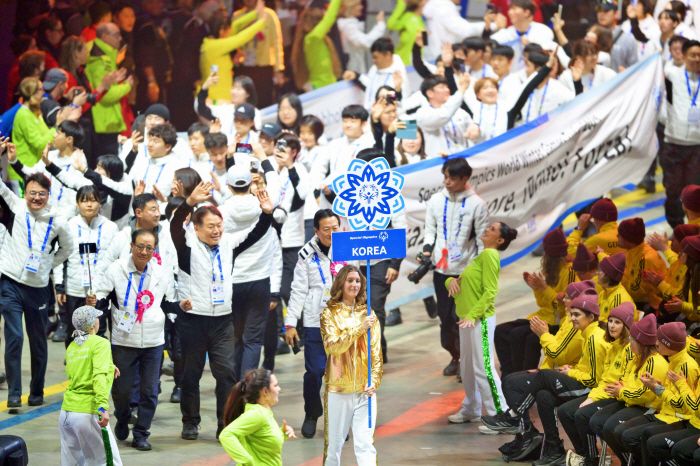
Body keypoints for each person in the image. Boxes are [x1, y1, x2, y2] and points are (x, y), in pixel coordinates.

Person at [170, 182, 273, 440]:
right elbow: (174, 225)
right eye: (210, 226)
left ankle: (224, 424)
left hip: (222, 322)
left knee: (226, 374)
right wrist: (189, 201)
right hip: (193, 321)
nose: (216, 231)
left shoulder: (228, 243)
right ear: (196, 228)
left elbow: (255, 233)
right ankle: (190, 422)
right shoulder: (187, 245)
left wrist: (267, 213)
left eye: (219, 225)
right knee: (190, 375)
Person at [482, 289, 609, 466]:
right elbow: (585, 366)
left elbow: (593, 379)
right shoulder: (587, 333)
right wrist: (572, 369)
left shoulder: (594, 338)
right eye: (572, 313)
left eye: (577, 314)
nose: (572, 317)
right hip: (582, 380)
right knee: (543, 396)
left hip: (591, 388)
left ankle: (515, 415)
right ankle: (554, 449)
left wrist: (570, 372)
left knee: (543, 376)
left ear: (591, 317)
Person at [86, 228, 179, 451]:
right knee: (122, 390)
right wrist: (93, 302)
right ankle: (122, 415)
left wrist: (180, 309)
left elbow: (167, 303)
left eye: (149, 248)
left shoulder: (160, 272)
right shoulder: (116, 269)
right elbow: (102, 298)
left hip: (153, 342)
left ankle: (141, 434)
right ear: (131, 246)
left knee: (150, 391)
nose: (144, 251)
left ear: (154, 250)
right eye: (140, 246)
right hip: (123, 340)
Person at [0, 148, 73, 408]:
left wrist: (47, 265)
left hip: (39, 288)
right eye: (32, 192)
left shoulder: (57, 220)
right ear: (25, 193)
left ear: (48, 195)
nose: (36, 197)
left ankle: (36, 390)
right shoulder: (16, 206)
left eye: (42, 193)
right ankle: (13, 392)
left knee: (38, 341)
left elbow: (68, 248)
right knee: (15, 337)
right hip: (9, 283)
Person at [496, 280, 591, 459]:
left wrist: (544, 335)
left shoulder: (584, 330)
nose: (564, 299)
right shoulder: (568, 319)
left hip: (584, 384)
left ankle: (518, 421)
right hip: (569, 374)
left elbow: (559, 355)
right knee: (541, 394)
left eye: (569, 297)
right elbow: (554, 355)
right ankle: (551, 446)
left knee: (515, 382)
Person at [421, 158, 490, 376]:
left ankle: (464, 362)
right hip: (441, 273)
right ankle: (454, 355)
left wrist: (478, 272)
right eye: (445, 177)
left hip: (464, 273)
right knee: (444, 319)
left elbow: (481, 240)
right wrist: (425, 252)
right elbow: (430, 230)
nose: (447, 182)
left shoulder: (477, 204)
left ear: (464, 179)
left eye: (452, 178)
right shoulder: (434, 200)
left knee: (459, 319)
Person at [445, 222, 518, 423]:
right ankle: (471, 409)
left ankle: (501, 414)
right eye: (489, 227)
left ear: (500, 240)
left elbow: (491, 292)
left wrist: (473, 315)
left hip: (480, 319)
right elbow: (460, 281)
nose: (487, 229)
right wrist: (449, 281)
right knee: (467, 367)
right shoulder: (480, 256)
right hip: (467, 319)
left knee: (483, 367)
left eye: (492, 230)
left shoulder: (490, 256)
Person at [284, 209, 341, 438]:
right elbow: (298, 290)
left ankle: (338, 421)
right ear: (316, 230)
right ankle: (312, 412)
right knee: (315, 372)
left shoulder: (350, 246)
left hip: (343, 323)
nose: (331, 233)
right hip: (315, 321)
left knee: (340, 375)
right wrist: (290, 324)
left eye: (334, 228)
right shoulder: (306, 253)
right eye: (326, 229)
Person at [557, 302, 635, 466]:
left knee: (583, 415)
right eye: (611, 321)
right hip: (606, 392)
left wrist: (593, 397)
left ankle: (593, 458)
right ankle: (585, 454)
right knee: (565, 411)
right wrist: (592, 397)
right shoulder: (613, 346)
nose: (612, 326)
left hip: (620, 397)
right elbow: (604, 380)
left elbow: (623, 383)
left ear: (627, 326)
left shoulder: (629, 349)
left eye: (617, 322)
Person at [320, 265, 382, 466]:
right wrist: (360, 328)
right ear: (341, 283)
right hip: (338, 390)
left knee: (365, 444)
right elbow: (332, 347)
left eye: (358, 281)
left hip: (366, 391)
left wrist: (375, 381)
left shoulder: (368, 312)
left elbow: (376, 353)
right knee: (334, 446)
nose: (354, 284)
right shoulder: (329, 314)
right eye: (350, 280)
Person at [589, 314, 668, 466]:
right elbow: (628, 381)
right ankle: (629, 461)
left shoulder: (653, 362)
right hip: (631, 401)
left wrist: (621, 392)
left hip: (648, 408)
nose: (630, 343)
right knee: (597, 422)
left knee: (614, 429)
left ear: (643, 343)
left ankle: (638, 461)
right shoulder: (638, 357)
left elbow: (644, 395)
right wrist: (621, 388)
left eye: (633, 340)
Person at [495, 228, 575, 379]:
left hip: (558, 321)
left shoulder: (569, 272)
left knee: (519, 335)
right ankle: (508, 374)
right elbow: (542, 304)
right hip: (544, 316)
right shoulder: (551, 270)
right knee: (500, 331)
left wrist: (544, 287)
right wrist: (536, 288)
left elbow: (564, 306)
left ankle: (523, 378)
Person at [616, 322, 699, 466]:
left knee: (647, 438)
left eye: (659, 339)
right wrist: (658, 388)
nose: (656, 342)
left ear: (668, 344)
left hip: (679, 419)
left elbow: (682, 406)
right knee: (625, 433)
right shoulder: (674, 360)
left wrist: (657, 389)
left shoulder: (686, 366)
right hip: (666, 414)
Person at [54, 185, 119, 349]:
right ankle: (75, 365)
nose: (89, 205)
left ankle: (95, 368)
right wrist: (60, 287)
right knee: (74, 332)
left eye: (93, 200)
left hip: (100, 290)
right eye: (84, 201)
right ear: (77, 203)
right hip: (74, 288)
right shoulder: (68, 226)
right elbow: (59, 257)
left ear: (100, 202)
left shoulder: (111, 227)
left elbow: (116, 260)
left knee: (99, 331)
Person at [59, 305, 122, 466]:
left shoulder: (72, 346)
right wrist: (102, 408)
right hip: (88, 413)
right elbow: (97, 376)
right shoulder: (100, 343)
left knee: (73, 463)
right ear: (93, 323)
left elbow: (80, 373)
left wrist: (108, 366)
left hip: (66, 414)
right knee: (108, 462)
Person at [660, 40, 700, 228]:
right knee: (673, 190)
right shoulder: (671, 75)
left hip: (697, 146)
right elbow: (663, 102)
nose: (697, 59)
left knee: (694, 191)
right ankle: (677, 228)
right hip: (673, 145)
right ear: (683, 56)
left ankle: (693, 228)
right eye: (693, 55)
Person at [220, 369, 296, 464]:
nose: (279, 389)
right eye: (275, 386)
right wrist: (247, 461)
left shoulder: (264, 413)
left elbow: (263, 442)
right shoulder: (257, 414)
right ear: (265, 391)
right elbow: (226, 435)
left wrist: (282, 433)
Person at [9, 78, 71, 191]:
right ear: (32, 92)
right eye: (41, 89)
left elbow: (45, 136)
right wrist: (57, 125)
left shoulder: (35, 113)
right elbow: (39, 143)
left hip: (33, 170)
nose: (44, 92)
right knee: (23, 208)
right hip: (22, 172)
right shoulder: (23, 114)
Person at [199, 3, 267, 105]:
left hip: (219, 97)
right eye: (228, 31)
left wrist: (255, 13)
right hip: (216, 101)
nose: (230, 34)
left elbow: (235, 26)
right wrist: (262, 21)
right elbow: (240, 38)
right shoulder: (214, 47)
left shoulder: (211, 44)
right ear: (222, 31)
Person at [85, 22, 133, 157]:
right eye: (116, 35)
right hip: (103, 120)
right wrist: (127, 86)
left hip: (107, 119)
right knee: (106, 164)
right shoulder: (99, 59)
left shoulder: (105, 54)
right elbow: (106, 95)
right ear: (104, 36)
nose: (120, 39)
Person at [601, 217, 667, 313]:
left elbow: (637, 293)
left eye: (620, 235)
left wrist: (611, 284)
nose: (617, 236)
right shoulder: (633, 252)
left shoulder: (645, 259)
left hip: (650, 306)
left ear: (628, 239)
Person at [231, 0, 285, 108]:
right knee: (244, 101)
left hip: (264, 66)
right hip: (244, 66)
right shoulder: (237, 16)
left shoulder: (269, 15)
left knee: (264, 101)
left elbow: (276, 42)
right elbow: (232, 41)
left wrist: (278, 69)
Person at [490, 0, 569, 72]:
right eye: (510, 9)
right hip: (511, 76)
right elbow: (489, 45)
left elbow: (548, 55)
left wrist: (531, 47)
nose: (509, 12)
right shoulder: (505, 33)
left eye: (514, 9)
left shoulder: (543, 31)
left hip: (537, 75)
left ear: (527, 12)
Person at [416, 73, 478, 157]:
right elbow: (443, 115)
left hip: (462, 160)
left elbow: (476, 137)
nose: (447, 90)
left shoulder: (460, 112)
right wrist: (462, 89)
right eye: (441, 87)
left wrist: (475, 126)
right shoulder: (422, 113)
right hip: (437, 164)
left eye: (447, 87)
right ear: (430, 93)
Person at [343, 37, 411, 110]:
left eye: (376, 57)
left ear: (388, 54)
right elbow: (370, 86)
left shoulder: (398, 75)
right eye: (372, 57)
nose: (373, 60)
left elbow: (399, 103)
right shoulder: (374, 69)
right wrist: (356, 76)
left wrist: (397, 91)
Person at [291, 0, 343, 91]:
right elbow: (330, 17)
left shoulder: (319, 39)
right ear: (318, 22)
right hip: (319, 88)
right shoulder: (312, 38)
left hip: (328, 85)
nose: (327, 25)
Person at [133, 0, 173, 112]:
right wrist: (151, 82)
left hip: (156, 80)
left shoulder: (150, 22)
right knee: (152, 115)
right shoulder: (145, 25)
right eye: (157, 2)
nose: (161, 5)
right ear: (147, 3)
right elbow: (145, 55)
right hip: (150, 83)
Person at [422, 0, 488, 61]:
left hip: (433, 53)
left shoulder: (438, 6)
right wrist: (490, 25)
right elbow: (464, 30)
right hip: (441, 56)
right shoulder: (444, 8)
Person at [337, 0, 386, 75]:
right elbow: (365, 43)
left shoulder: (349, 24)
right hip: (351, 72)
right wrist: (380, 24)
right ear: (350, 7)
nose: (362, 7)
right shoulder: (347, 25)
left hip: (354, 71)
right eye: (358, 4)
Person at [595, 0, 639, 72]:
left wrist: (626, 73)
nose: (601, 14)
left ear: (616, 14)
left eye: (606, 11)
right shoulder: (592, 35)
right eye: (599, 11)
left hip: (619, 81)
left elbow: (635, 69)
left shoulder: (627, 40)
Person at [386, 0, 426, 66]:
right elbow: (390, 24)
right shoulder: (407, 17)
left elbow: (424, 45)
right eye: (426, 1)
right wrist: (401, 4)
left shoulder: (422, 21)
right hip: (402, 62)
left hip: (417, 63)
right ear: (420, 3)